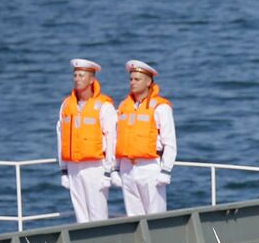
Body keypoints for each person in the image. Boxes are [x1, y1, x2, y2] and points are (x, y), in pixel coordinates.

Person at [57, 58, 116, 223]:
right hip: (74, 167)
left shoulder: (104, 106)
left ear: (91, 79)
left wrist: (108, 171)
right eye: (75, 75)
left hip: (95, 166)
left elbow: (112, 139)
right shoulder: (66, 105)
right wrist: (63, 170)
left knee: (98, 214)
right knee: (80, 214)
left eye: (81, 75)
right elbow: (60, 138)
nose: (77, 79)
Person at [115, 60, 176, 216]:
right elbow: (117, 138)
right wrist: (115, 168)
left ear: (148, 82)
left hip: (150, 167)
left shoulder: (160, 107)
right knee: (133, 217)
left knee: (155, 216)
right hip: (127, 168)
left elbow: (169, 142)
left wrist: (166, 170)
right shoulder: (123, 106)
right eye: (131, 79)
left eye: (137, 79)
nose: (132, 83)